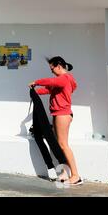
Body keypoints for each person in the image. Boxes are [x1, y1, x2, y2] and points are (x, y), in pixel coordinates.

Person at [28, 56, 82, 186]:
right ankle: (64, 173)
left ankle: (76, 176)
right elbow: (49, 89)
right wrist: (35, 92)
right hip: (60, 114)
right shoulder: (63, 80)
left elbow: (50, 82)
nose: (52, 71)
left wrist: (36, 81)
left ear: (59, 65)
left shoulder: (64, 78)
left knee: (63, 145)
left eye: (52, 69)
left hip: (62, 114)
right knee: (58, 146)